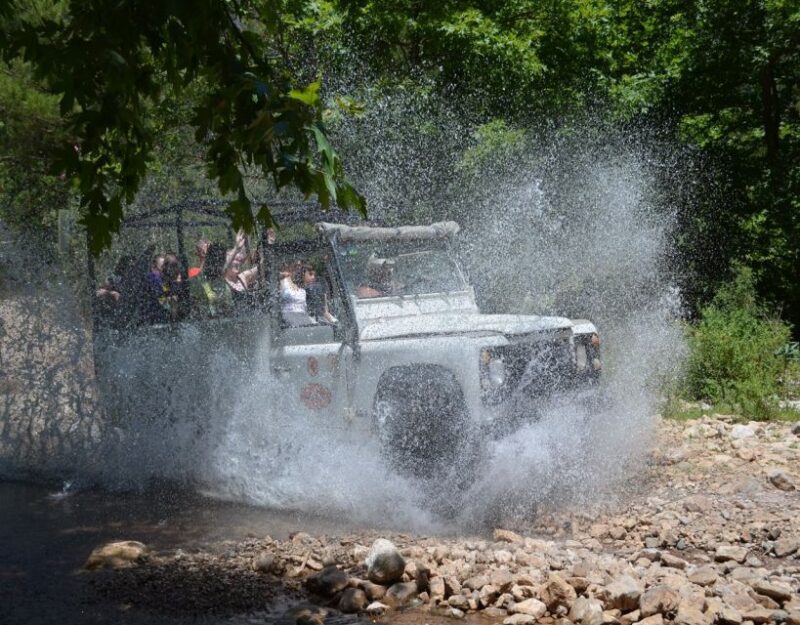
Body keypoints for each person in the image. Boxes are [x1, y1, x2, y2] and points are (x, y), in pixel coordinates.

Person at [190, 243, 233, 319]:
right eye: (224, 260)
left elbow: (229, 311)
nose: (225, 262)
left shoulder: (224, 286)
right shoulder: (198, 280)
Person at [279, 260, 316, 326]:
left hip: (303, 320)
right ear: (288, 266)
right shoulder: (281, 280)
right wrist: (282, 274)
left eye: (300, 266)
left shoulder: (300, 285)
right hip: (287, 321)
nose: (299, 268)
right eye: (296, 265)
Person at [160, 253, 190, 321]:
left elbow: (166, 297)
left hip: (178, 318)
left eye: (164, 264)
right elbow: (164, 296)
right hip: (178, 316)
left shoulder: (178, 285)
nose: (162, 267)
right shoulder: (167, 283)